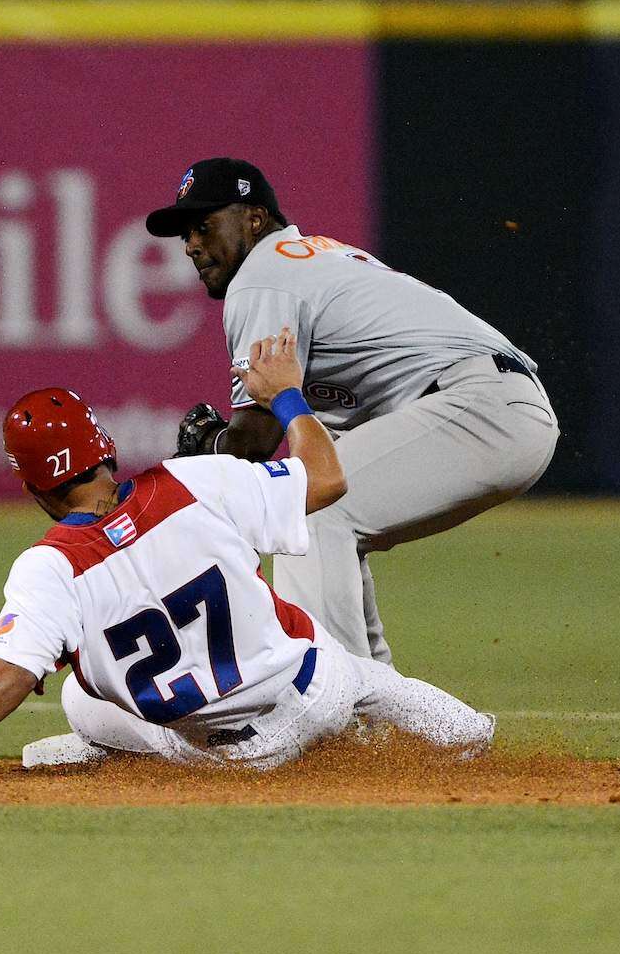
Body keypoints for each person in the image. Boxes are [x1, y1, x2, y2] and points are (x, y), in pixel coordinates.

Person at [0, 329, 494, 775]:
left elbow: (5, 675)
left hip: (231, 761)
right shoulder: (196, 480)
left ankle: (98, 756)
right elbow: (327, 478)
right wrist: (287, 398)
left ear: (31, 487)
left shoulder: (49, 568)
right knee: (361, 677)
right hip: (313, 694)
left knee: (82, 699)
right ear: (104, 448)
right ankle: (472, 740)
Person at [148, 158, 558, 665]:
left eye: (203, 225)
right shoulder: (312, 257)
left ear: (253, 218)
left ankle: (328, 702)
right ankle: (380, 717)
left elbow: (251, 443)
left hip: (476, 406)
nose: (191, 244)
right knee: (326, 505)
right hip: (497, 406)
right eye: (185, 233)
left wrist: (209, 443)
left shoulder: (260, 277)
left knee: (308, 503)